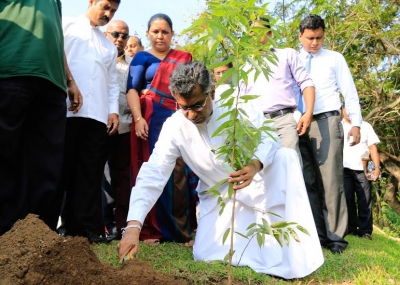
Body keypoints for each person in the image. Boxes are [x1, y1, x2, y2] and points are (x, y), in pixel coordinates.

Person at [118, 61, 324, 279]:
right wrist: (133, 225)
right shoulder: (174, 126)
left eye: (197, 106)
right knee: (204, 253)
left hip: (258, 184)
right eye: (183, 107)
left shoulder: (236, 104)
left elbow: (269, 135)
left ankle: (291, 251)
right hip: (219, 196)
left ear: (212, 92)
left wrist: (255, 164)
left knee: (286, 157)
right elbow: (154, 173)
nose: (190, 115)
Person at [0, 0, 82, 236]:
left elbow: (56, 39)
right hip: (10, 72)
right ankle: (4, 237)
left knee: (47, 166)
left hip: (52, 83)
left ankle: (38, 235)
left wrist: (70, 80)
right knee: (6, 157)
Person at [126, 13, 198, 245]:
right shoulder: (141, 57)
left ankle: (180, 229)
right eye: (155, 31)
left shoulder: (183, 58)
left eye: (165, 32)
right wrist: (138, 119)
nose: (160, 36)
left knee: (181, 172)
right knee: (154, 169)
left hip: (180, 116)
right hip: (151, 117)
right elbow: (131, 90)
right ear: (147, 33)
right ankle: (152, 229)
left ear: (172, 35)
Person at [297, 14, 363, 254]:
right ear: (300, 36)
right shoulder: (292, 58)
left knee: (331, 181)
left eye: (319, 38)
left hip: (327, 120)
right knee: (307, 181)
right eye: (310, 38)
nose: (315, 42)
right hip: (297, 123)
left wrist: (355, 123)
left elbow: (349, 91)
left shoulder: (335, 58)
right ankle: (317, 235)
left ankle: (336, 239)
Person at [59, 0, 120, 243]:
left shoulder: (109, 46)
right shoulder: (66, 25)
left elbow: (112, 82)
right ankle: (52, 227)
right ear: (91, 1)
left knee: (89, 175)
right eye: (105, 6)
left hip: (97, 116)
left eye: (113, 11)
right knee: (61, 170)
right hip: (66, 111)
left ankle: (80, 232)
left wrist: (113, 111)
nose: (107, 13)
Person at [242, 18, 315, 161]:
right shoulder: (244, 67)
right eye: (252, 32)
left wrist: (309, 113)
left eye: (260, 31)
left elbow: (306, 83)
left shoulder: (286, 55)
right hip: (257, 126)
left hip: (284, 121)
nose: (255, 36)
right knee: (263, 173)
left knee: (289, 167)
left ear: (269, 34)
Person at [101, 19, 133, 238]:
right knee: (100, 176)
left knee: (122, 177)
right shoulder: (99, 58)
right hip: (99, 126)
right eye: (116, 34)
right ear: (106, 34)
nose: (120, 39)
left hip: (126, 126)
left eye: (124, 36)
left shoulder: (134, 63)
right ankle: (102, 223)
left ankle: (120, 224)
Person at [342, 105, 380, 240]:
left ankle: (365, 231)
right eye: (345, 108)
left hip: (362, 170)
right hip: (343, 169)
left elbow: (373, 148)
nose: (348, 112)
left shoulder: (366, 126)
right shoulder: (338, 126)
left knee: (364, 200)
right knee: (347, 198)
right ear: (342, 110)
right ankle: (351, 228)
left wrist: (377, 168)